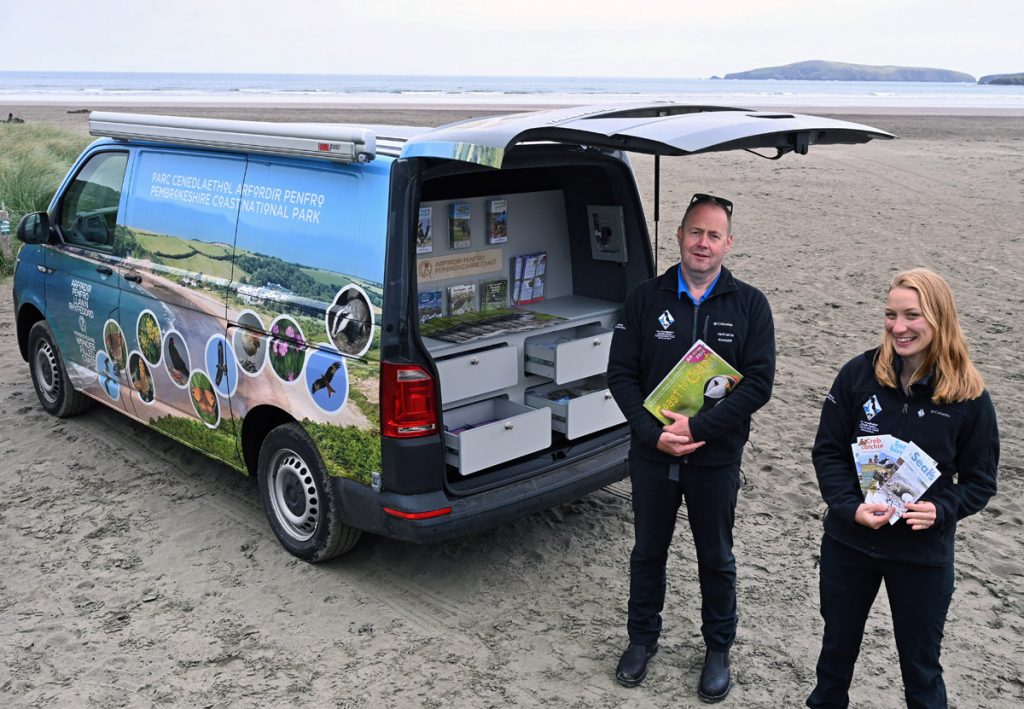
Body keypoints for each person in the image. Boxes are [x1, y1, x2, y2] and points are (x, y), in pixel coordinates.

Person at [607, 193, 775, 701]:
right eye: (695, 232)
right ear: (679, 236)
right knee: (647, 553)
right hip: (653, 454)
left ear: (728, 244)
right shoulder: (644, 298)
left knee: (716, 557)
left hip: (716, 458)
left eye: (714, 235)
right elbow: (620, 376)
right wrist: (652, 432)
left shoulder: (750, 304)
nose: (703, 243)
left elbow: (759, 384)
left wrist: (701, 430)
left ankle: (717, 649)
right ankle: (641, 641)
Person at [807, 268, 999, 708]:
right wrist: (849, 507)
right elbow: (829, 452)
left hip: (921, 556)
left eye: (912, 315)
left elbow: (980, 482)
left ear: (939, 319)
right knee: (835, 657)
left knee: (921, 670)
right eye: (890, 315)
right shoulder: (857, 375)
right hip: (850, 545)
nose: (898, 327)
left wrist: (941, 509)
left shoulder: (970, 397)